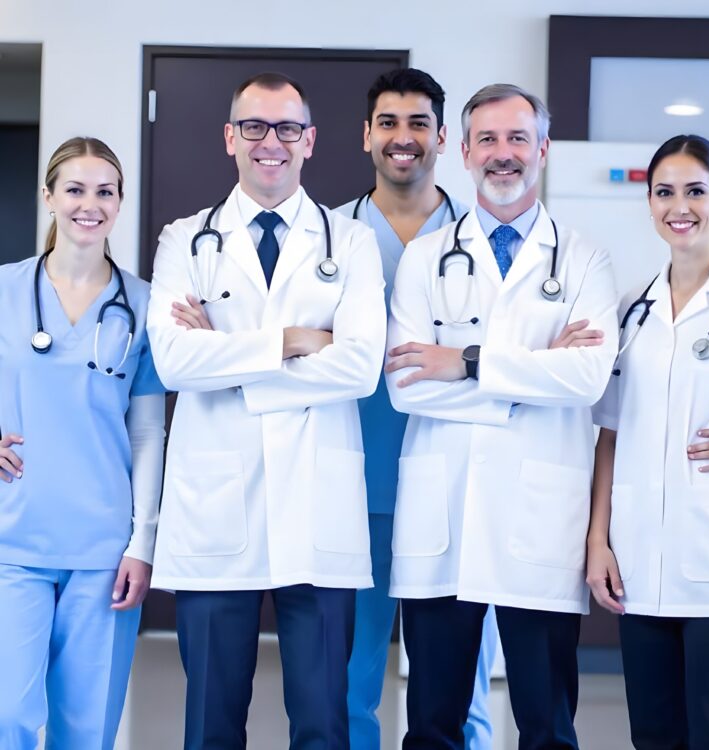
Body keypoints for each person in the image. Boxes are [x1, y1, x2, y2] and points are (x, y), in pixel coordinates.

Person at [147, 72, 386, 750]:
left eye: (286, 128)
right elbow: (174, 362)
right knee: (212, 723)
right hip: (219, 510)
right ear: (230, 138)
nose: (270, 142)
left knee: (322, 723)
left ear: (309, 140)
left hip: (318, 512)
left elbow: (362, 367)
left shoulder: (351, 243)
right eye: (254, 126)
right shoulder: (184, 240)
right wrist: (291, 343)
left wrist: (229, 356)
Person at [385, 83, 618, 749]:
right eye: (487, 139)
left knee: (547, 727)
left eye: (518, 138)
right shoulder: (426, 258)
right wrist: (533, 368)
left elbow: (586, 377)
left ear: (543, 150)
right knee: (431, 725)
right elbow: (406, 384)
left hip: (539, 521)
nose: (503, 153)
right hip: (446, 512)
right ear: (463, 151)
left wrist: (463, 359)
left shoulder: (583, 258)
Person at [338, 67, 499, 750]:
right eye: (388, 123)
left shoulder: (490, 241)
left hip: (459, 482)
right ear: (365, 135)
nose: (403, 138)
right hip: (355, 481)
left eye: (418, 125)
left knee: (464, 681)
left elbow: (518, 356)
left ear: (442, 138)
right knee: (350, 676)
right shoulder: (328, 238)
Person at [0, 137, 165, 749]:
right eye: (74, 189)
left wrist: (142, 542)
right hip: (13, 538)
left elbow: (148, 431)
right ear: (49, 197)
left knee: (86, 727)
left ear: (119, 203)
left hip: (102, 546)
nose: (88, 205)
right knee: (7, 716)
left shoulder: (143, 305)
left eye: (104, 192)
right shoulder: (5, 291)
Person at [588, 134, 709, 750]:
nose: (678, 206)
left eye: (695, 191)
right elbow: (610, 433)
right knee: (654, 734)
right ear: (649, 202)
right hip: (640, 561)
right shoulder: (632, 308)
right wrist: (599, 539)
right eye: (664, 193)